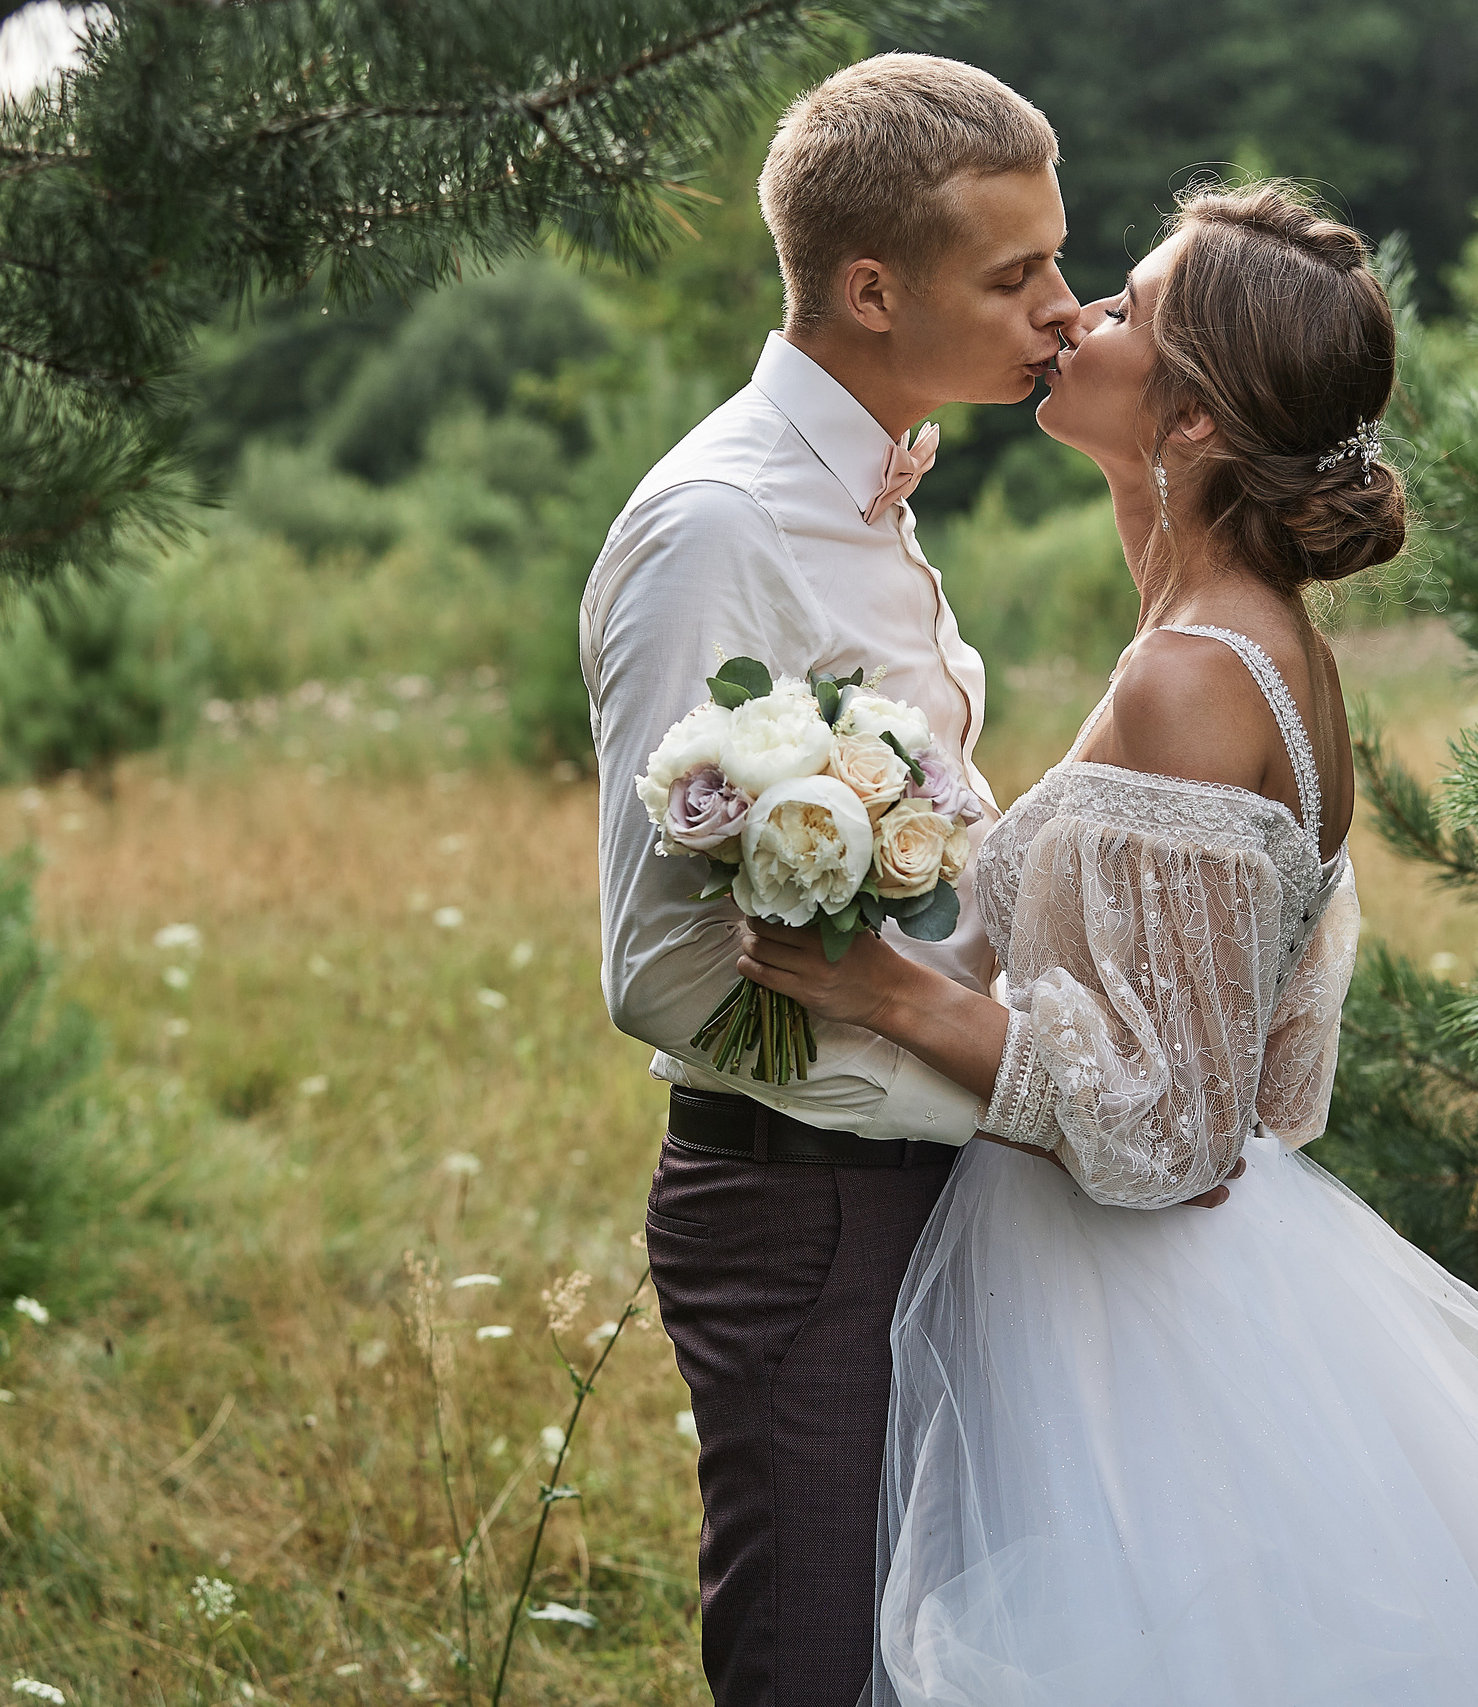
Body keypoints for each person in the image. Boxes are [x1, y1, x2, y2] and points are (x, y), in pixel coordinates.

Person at [734, 183, 1478, 1705]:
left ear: (1197, 421)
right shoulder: (1239, 646)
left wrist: (884, 994)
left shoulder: (1202, 679)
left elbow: (1181, 1122)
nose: (1081, 315)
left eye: (1128, 307)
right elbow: (1267, 1066)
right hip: (1148, 1286)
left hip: (1135, 1327)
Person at [578, 54, 1086, 1707]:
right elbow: (658, 969)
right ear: (874, 289)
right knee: (812, 1668)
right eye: (1017, 276)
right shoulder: (723, 528)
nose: (1063, 311)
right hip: (805, 1201)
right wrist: (937, 1037)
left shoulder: (869, 494)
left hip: (927, 1185)